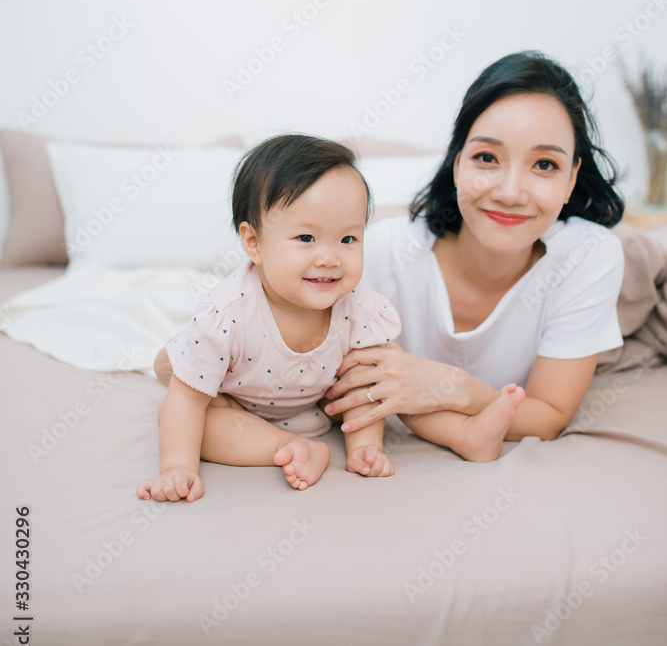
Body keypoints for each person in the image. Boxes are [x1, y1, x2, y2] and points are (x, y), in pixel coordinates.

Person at [323, 51, 625, 461]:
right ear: (456, 161)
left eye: (544, 164)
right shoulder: (381, 252)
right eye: (486, 158)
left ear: (572, 178)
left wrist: (451, 385)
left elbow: (550, 415)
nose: (510, 192)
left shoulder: (589, 254)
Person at [137, 134, 405, 501]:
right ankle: (289, 445)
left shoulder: (359, 310)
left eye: (348, 239)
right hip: (235, 398)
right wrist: (177, 467)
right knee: (191, 415)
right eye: (306, 237)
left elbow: (366, 389)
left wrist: (366, 445)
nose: (329, 258)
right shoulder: (226, 315)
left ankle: (361, 446)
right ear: (254, 243)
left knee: (372, 377)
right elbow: (186, 401)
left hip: (314, 402)